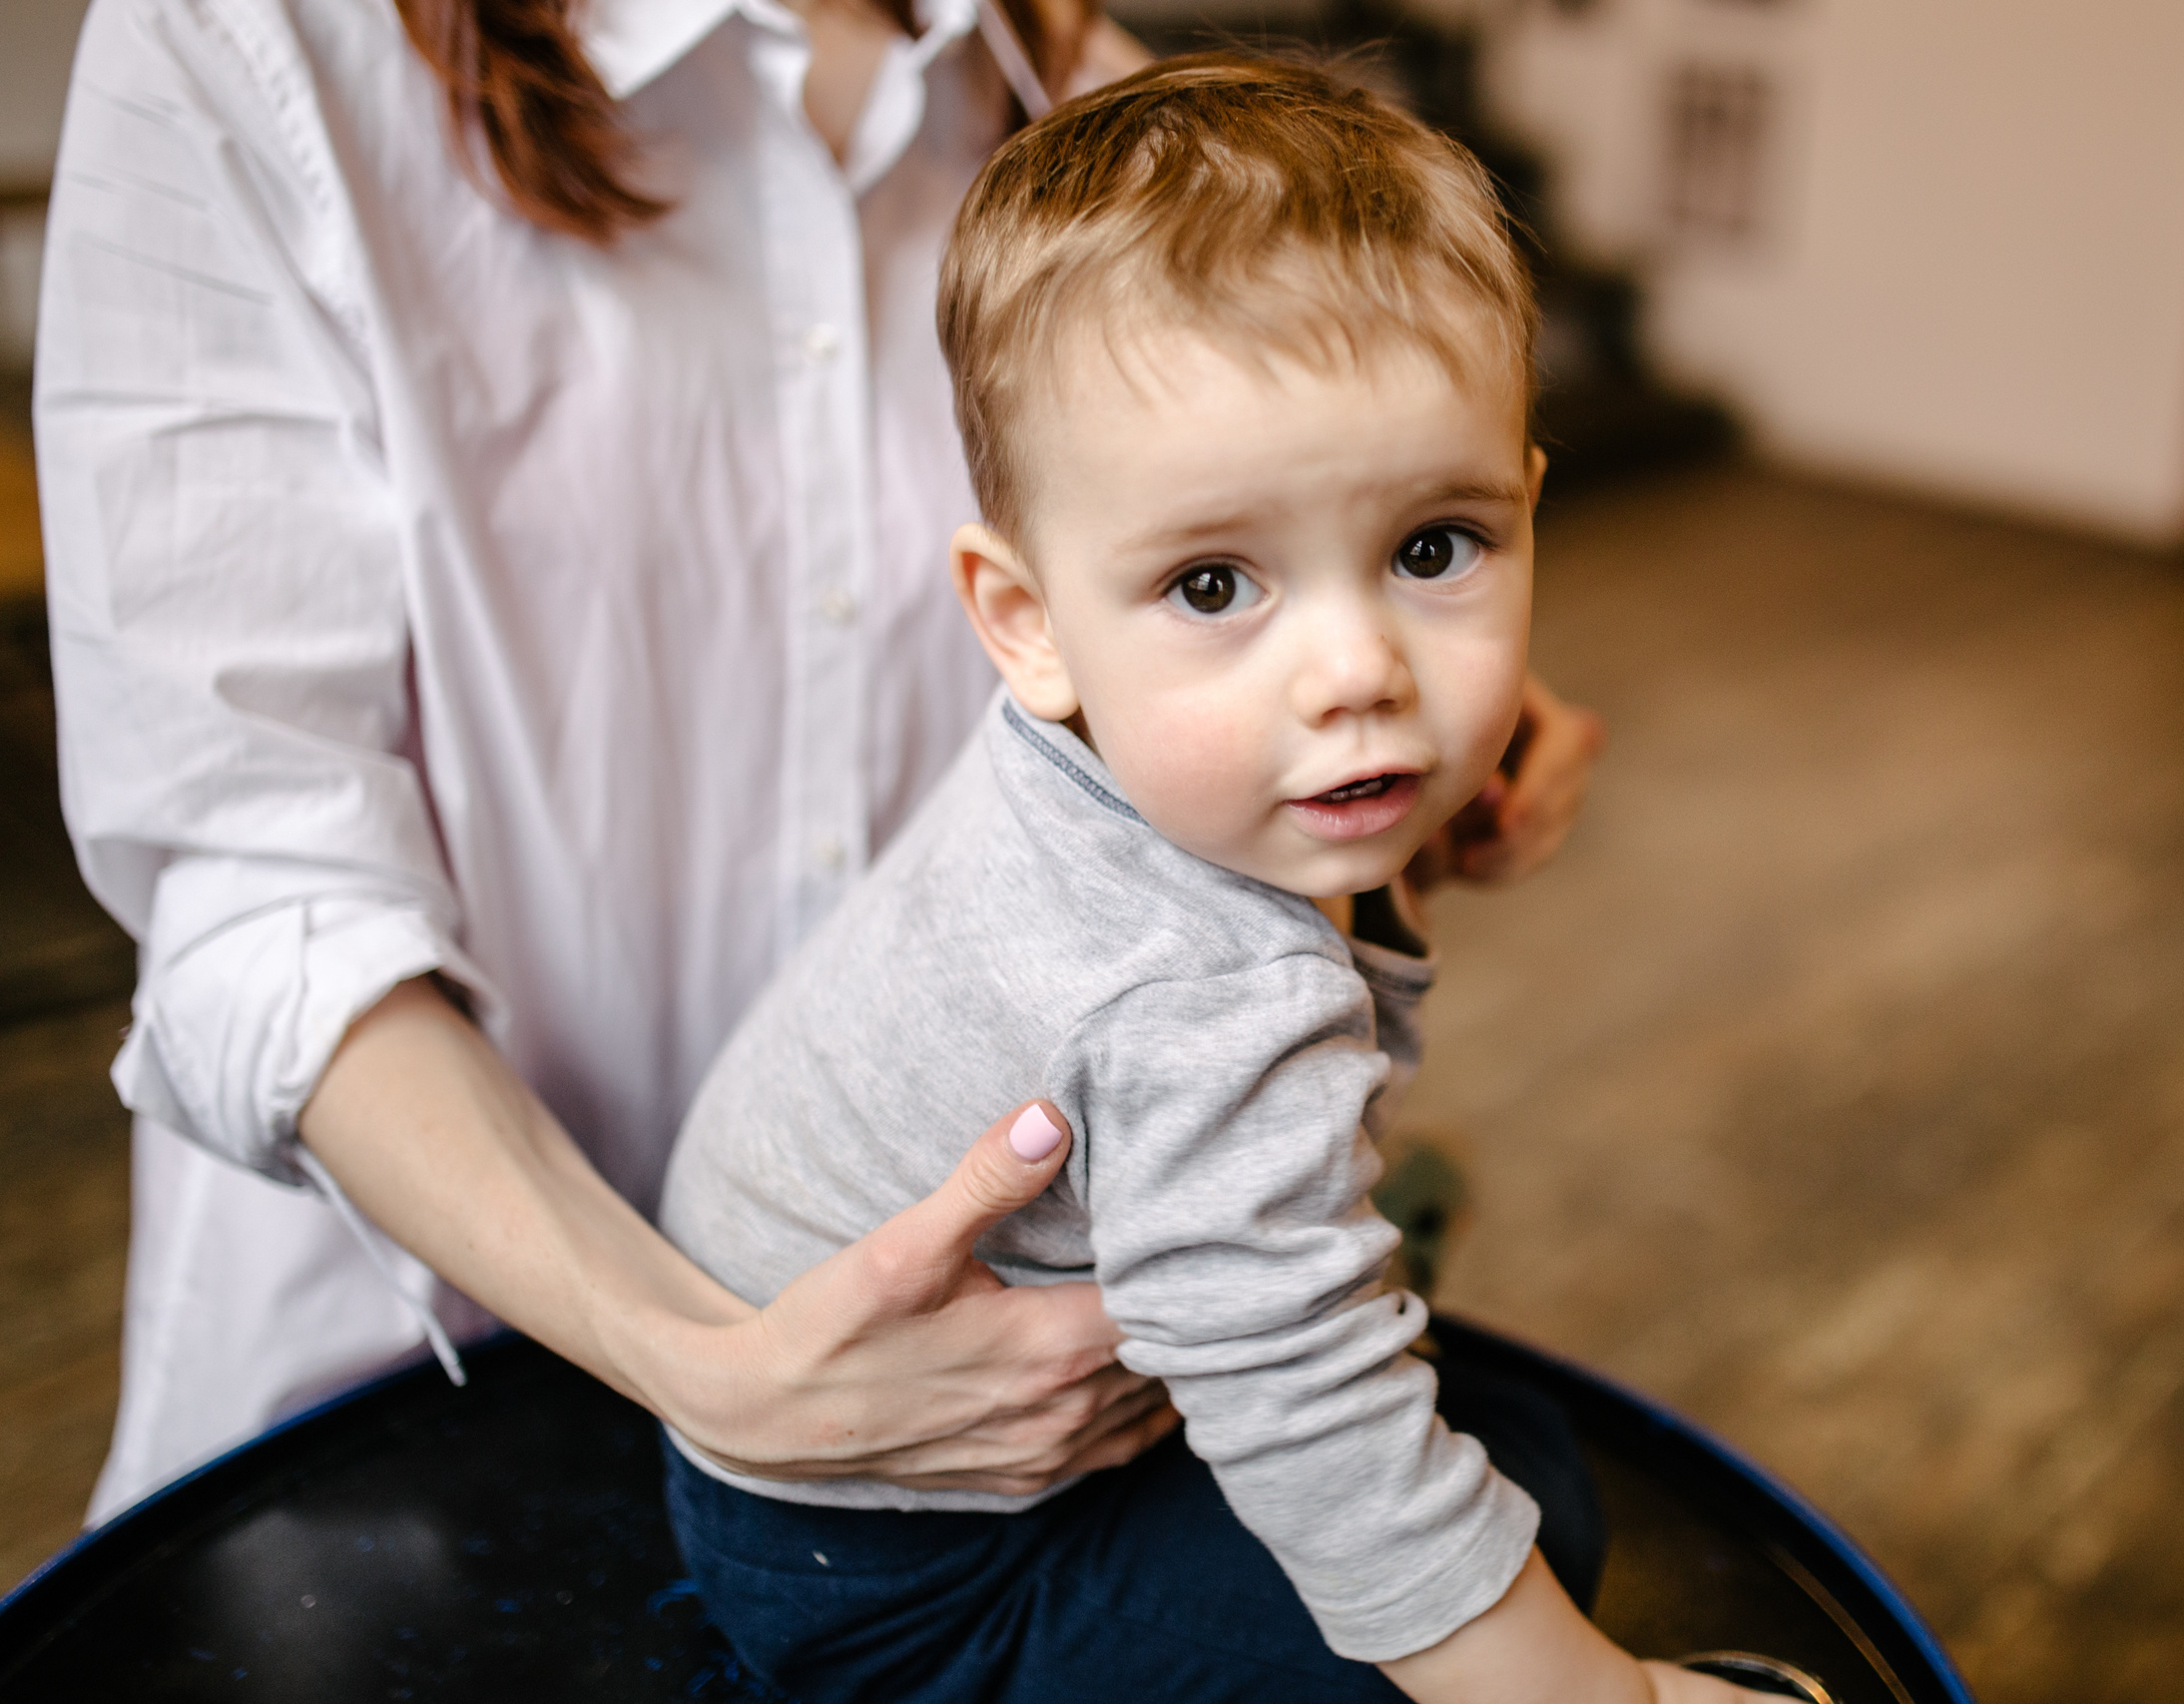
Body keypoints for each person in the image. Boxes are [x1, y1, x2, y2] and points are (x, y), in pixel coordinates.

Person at [35, 0, 1606, 1523]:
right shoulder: (245, 41)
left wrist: (1405, 711)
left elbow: (1247, 540)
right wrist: (710, 1364)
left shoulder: (1059, 79)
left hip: (996, 1401)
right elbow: (264, 901)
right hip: (423, 1383)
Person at [653, 57, 1751, 1704]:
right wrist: (1619, 1699)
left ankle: (1268, 1251)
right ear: (1025, 620)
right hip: (907, 1567)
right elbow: (1315, 1416)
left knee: (1502, 1443)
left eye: (1433, 549)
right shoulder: (1201, 989)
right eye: (1218, 584)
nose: (1359, 672)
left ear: (1528, 512)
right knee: (1534, 1510)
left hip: (837, 1442)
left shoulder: (1090, 741)